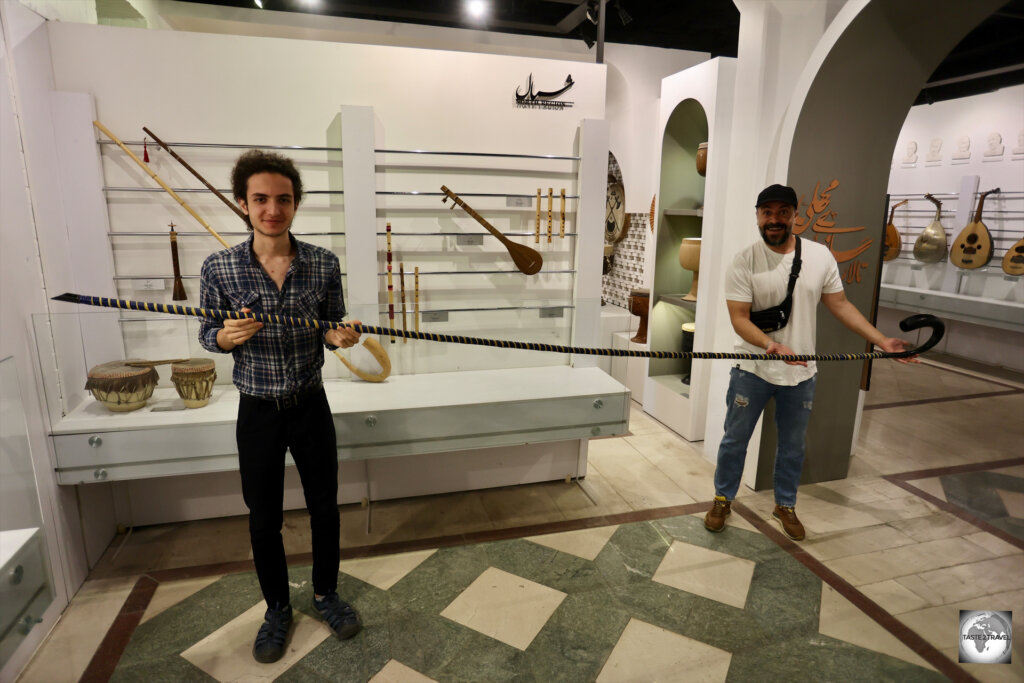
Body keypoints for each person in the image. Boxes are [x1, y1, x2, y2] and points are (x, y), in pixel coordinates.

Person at [199, 150, 362, 663]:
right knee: (263, 516)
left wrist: (341, 337)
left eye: (283, 199)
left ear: (296, 204)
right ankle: (276, 608)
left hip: (310, 405)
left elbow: (333, 326)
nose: (273, 209)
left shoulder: (323, 263)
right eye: (261, 199)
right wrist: (225, 336)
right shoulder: (219, 267)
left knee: (324, 509)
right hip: (258, 411)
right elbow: (208, 334)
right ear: (242, 204)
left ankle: (325, 595)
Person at [703, 184, 915, 541]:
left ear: (794, 216)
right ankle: (723, 498)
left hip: (801, 375)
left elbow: (841, 304)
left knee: (792, 445)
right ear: (757, 216)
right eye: (767, 212)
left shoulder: (819, 257)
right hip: (752, 369)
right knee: (734, 440)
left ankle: (785, 504)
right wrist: (771, 344)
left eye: (782, 212)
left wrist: (881, 341)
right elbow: (739, 318)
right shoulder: (744, 261)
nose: (775, 219)